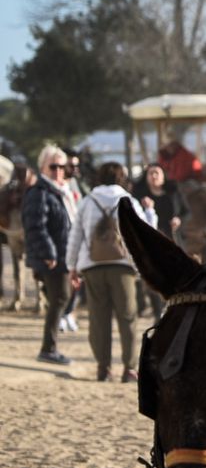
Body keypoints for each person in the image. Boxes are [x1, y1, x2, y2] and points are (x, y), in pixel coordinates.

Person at [66, 162, 155, 382]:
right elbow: (145, 232)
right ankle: (129, 368)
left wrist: (72, 266)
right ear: (121, 178)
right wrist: (150, 213)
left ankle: (103, 368)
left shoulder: (88, 201)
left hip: (92, 266)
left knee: (99, 319)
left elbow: (75, 235)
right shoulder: (128, 201)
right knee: (127, 317)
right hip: (123, 266)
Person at [21, 144, 75, 365]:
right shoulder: (40, 192)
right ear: (42, 167)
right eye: (53, 166)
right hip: (53, 258)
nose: (58, 171)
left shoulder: (60, 191)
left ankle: (49, 347)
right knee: (60, 298)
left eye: (62, 167)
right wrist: (48, 253)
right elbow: (35, 227)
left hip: (64, 256)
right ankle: (48, 348)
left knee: (61, 298)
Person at [131, 163, 186, 238]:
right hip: (149, 236)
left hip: (172, 235)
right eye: (151, 173)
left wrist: (179, 219)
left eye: (156, 173)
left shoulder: (173, 192)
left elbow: (186, 212)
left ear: (163, 176)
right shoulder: (139, 196)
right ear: (146, 177)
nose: (154, 176)